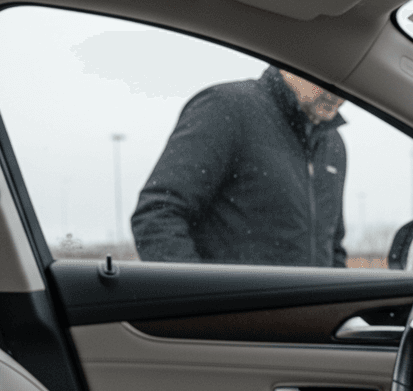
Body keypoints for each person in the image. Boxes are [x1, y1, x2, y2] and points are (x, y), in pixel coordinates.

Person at [132, 67, 347, 266]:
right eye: (329, 77)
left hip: (310, 306)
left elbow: (333, 246)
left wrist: (338, 305)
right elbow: (157, 215)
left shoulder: (333, 144)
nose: (338, 95)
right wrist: (203, 300)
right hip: (236, 305)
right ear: (290, 61)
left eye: (346, 82)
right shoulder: (226, 108)